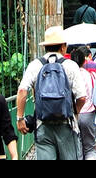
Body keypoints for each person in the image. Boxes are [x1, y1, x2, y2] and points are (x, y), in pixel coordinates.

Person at [15, 25, 88, 160]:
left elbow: (22, 90)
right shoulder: (71, 66)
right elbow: (82, 97)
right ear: (63, 46)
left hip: (42, 124)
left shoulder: (35, 65)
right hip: (67, 125)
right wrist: (73, 113)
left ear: (45, 47)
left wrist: (20, 118)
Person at [70, 46, 96, 160]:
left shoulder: (68, 75)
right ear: (84, 61)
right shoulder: (91, 75)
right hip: (88, 114)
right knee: (90, 148)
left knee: (76, 148)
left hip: (73, 114)